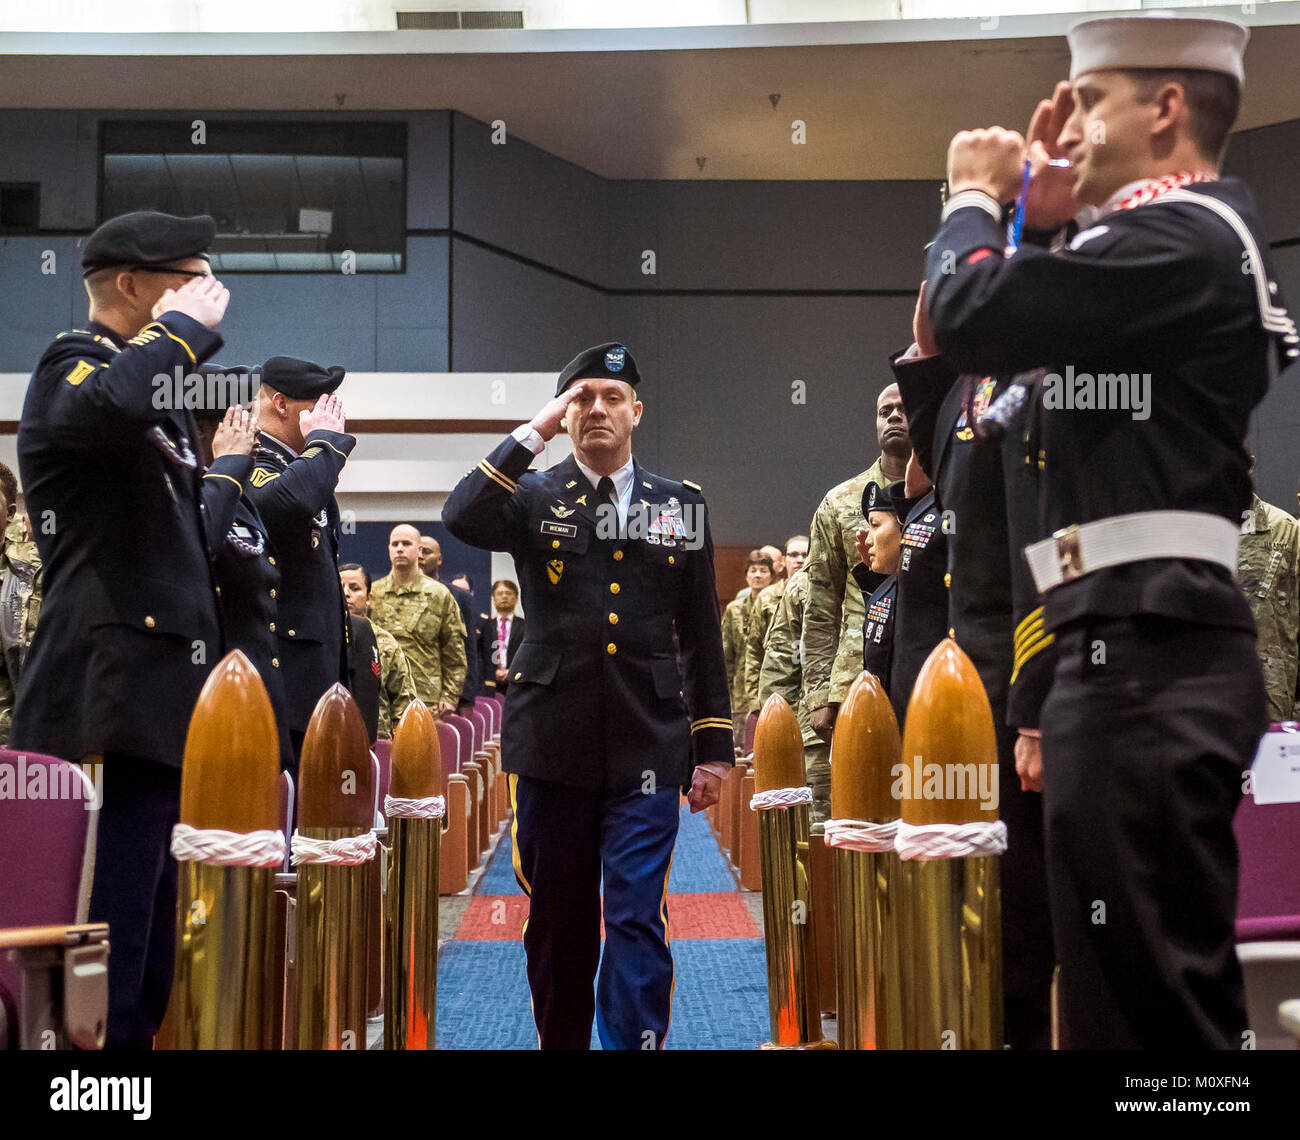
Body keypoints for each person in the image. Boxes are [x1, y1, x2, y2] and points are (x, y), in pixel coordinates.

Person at [922, 11, 1297, 1047]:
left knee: (1157, 1017)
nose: (1066, 125)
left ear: (1166, 106)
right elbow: (973, 336)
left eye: (1089, 100)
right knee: (1110, 1010)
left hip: (1150, 662)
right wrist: (1040, 225)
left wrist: (972, 195)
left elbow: (963, 314)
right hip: (1122, 652)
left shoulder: (1181, 235)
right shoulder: (1144, 255)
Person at [443, 341, 732, 1050]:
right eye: (581, 398)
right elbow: (461, 515)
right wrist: (532, 433)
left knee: (637, 913)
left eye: (611, 396)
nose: (596, 408)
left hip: (649, 738)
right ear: (564, 413)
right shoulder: (532, 496)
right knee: (559, 918)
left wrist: (714, 747)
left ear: (637, 409)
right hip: (552, 741)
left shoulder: (679, 503)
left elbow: (700, 630)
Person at [12, 210, 229, 1048]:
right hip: (103, 701)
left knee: (146, 949)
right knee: (95, 940)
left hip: (157, 707)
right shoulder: (72, 366)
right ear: (133, 285)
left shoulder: (154, 402)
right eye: (189, 280)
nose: (212, 298)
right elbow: (111, 402)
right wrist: (180, 332)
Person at [247, 358, 356, 769]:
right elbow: (283, 505)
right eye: (319, 407)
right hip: (283, 684)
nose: (331, 418)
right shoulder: (250, 458)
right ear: (280, 403)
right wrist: (326, 444)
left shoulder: (302, 468)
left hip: (313, 683)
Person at [193, 381, 295, 772]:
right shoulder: (193, 496)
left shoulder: (242, 499)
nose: (255, 435)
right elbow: (202, 547)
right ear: (206, 431)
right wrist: (224, 467)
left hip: (260, 693)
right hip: (216, 701)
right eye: (238, 423)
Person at [803, 383, 910, 749]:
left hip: (928, 670)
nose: (894, 416)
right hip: (855, 679)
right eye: (884, 411)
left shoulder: (948, 491)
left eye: (903, 408)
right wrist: (818, 694)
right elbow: (820, 605)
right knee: (861, 803)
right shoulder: (840, 501)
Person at [369, 524, 467, 717]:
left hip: (425, 697)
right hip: (381, 697)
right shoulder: (374, 593)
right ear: (388, 549)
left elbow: (454, 651)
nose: (399, 548)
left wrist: (450, 696)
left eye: (406, 543)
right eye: (394, 544)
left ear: (419, 550)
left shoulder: (439, 594)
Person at [1238, 491, 1300, 721]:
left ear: (1250, 465)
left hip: (1270, 701)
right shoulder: (1187, 526)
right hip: (1201, 696)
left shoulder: (1284, 529)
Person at [339, 563, 417, 741]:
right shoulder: (323, 641)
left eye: (355, 588)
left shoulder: (386, 643)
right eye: (340, 586)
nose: (346, 593)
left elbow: (404, 705)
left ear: (368, 598)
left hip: (377, 743)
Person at [742, 535, 809, 718]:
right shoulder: (767, 597)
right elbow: (754, 652)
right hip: (776, 693)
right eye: (793, 554)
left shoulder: (825, 595)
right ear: (783, 561)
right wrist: (756, 702)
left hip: (811, 695)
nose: (799, 559)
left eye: (805, 554)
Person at [418, 533, 481, 713]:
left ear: (439, 559)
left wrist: (465, 698)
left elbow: (469, 650)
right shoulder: (396, 595)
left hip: (450, 697)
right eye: (418, 551)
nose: (421, 556)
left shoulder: (459, 597)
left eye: (427, 552)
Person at [851, 482, 903, 689]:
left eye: (875, 525)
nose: (868, 540)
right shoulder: (886, 586)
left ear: (905, 525)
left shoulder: (932, 588)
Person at [722, 549, 772, 749]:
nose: (758, 575)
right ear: (746, 575)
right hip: (740, 693)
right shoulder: (734, 609)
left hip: (769, 687)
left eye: (763, 571)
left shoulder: (778, 605)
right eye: (753, 570)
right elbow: (726, 656)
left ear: (772, 576)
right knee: (742, 752)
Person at [480, 577, 525, 696]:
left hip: (517, 683)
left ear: (516, 598)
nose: (504, 597)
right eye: (500, 593)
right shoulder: (486, 626)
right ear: (493, 599)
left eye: (508, 593)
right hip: (490, 684)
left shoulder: (525, 626)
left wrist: (512, 671)